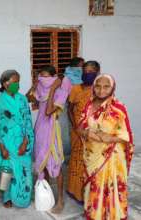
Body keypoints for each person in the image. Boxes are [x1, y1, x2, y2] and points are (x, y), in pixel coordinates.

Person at [78, 74, 134, 220]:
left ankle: (114, 215)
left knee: (112, 186)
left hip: (112, 156)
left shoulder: (118, 108)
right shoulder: (88, 105)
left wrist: (108, 138)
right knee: (94, 186)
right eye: (98, 86)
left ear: (112, 88)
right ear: (94, 87)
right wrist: (87, 133)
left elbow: (126, 136)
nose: (101, 90)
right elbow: (80, 126)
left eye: (106, 86)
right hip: (92, 154)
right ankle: (95, 214)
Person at [27, 65, 71, 213]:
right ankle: (45, 194)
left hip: (52, 130)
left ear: (54, 77)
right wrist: (34, 84)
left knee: (55, 164)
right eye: (41, 76)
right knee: (41, 160)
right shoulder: (40, 87)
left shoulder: (61, 91)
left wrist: (52, 89)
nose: (43, 79)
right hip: (40, 128)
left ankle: (60, 200)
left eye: (47, 76)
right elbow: (28, 97)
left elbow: (48, 110)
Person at [0, 70, 34, 209]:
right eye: (14, 82)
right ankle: (6, 197)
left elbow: (28, 121)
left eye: (18, 81)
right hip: (7, 142)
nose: (17, 84)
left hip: (22, 142)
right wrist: (2, 148)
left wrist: (25, 142)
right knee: (7, 171)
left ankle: (23, 196)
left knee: (24, 170)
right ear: (5, 84)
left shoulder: (22, 99)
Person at [67, 61, 100, 203]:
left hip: (93, 133)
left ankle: (89, 194)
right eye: (85, 71)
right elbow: (69, 109)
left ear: (97, 73)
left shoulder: (100, 90)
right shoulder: (75, 89)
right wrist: (76, 126)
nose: (87, 74)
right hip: (77, 131)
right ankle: (74, 191)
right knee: (76, 161)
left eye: (91, 71)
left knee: (90, 163)